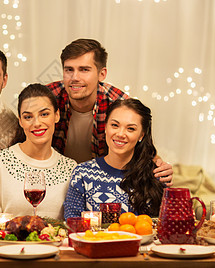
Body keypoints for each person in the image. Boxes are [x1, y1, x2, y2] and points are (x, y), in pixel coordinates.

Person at [47, 38, 173, 185]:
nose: (75, 78)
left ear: (102, 74)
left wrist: (160, 167)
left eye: (84, 70)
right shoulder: (48, 99)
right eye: (69, 70)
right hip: (55, 179)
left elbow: (140, 145)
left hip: (100, 182)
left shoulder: (118, 104)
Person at [0, 84, 77, 222]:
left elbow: (71, 225)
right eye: (28, 117)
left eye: (44, 114)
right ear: (20, 121)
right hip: (9, 243)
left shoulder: (70, 167)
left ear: (56, 115)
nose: (36, 123)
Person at [64, 99, 165, 218]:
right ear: (106, 127)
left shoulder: (155, 174)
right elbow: (71, 222)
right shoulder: (82, 173)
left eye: (130, 129)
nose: (121, 134)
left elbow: (164, 225)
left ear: (141, 136)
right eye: (115, 125)